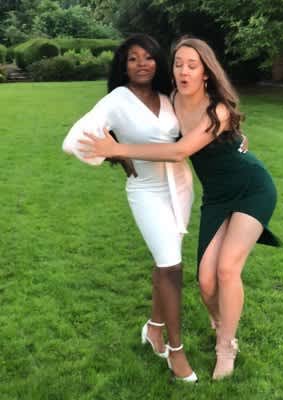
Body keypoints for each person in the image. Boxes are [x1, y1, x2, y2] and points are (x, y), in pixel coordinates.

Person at [79, 37, 280, 380]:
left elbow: (179, 151)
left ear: (206, 72)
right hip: (216, 196)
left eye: (192, 65)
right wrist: (118, 149)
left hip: (252, 188)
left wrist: (118, 149)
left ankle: (226, 346)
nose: (184, 71)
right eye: (178, 64)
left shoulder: (217, 109)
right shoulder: (170, 101)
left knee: (227, 270)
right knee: (205, 282)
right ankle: (220, 321)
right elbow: (139, 119)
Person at [62, 34, 198, 382]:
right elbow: (73, 140)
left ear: (157, 62)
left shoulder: (169, 97)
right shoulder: (117, 100)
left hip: (180, 188)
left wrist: (235, 136)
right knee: (172, 267)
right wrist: (115, 154)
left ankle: (154, 328)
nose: (142, 64)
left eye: (148, 57)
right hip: (147, 192)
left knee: (164, 261)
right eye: (133, 58)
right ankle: (176, 351)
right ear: (123, 65)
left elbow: (196, 127)